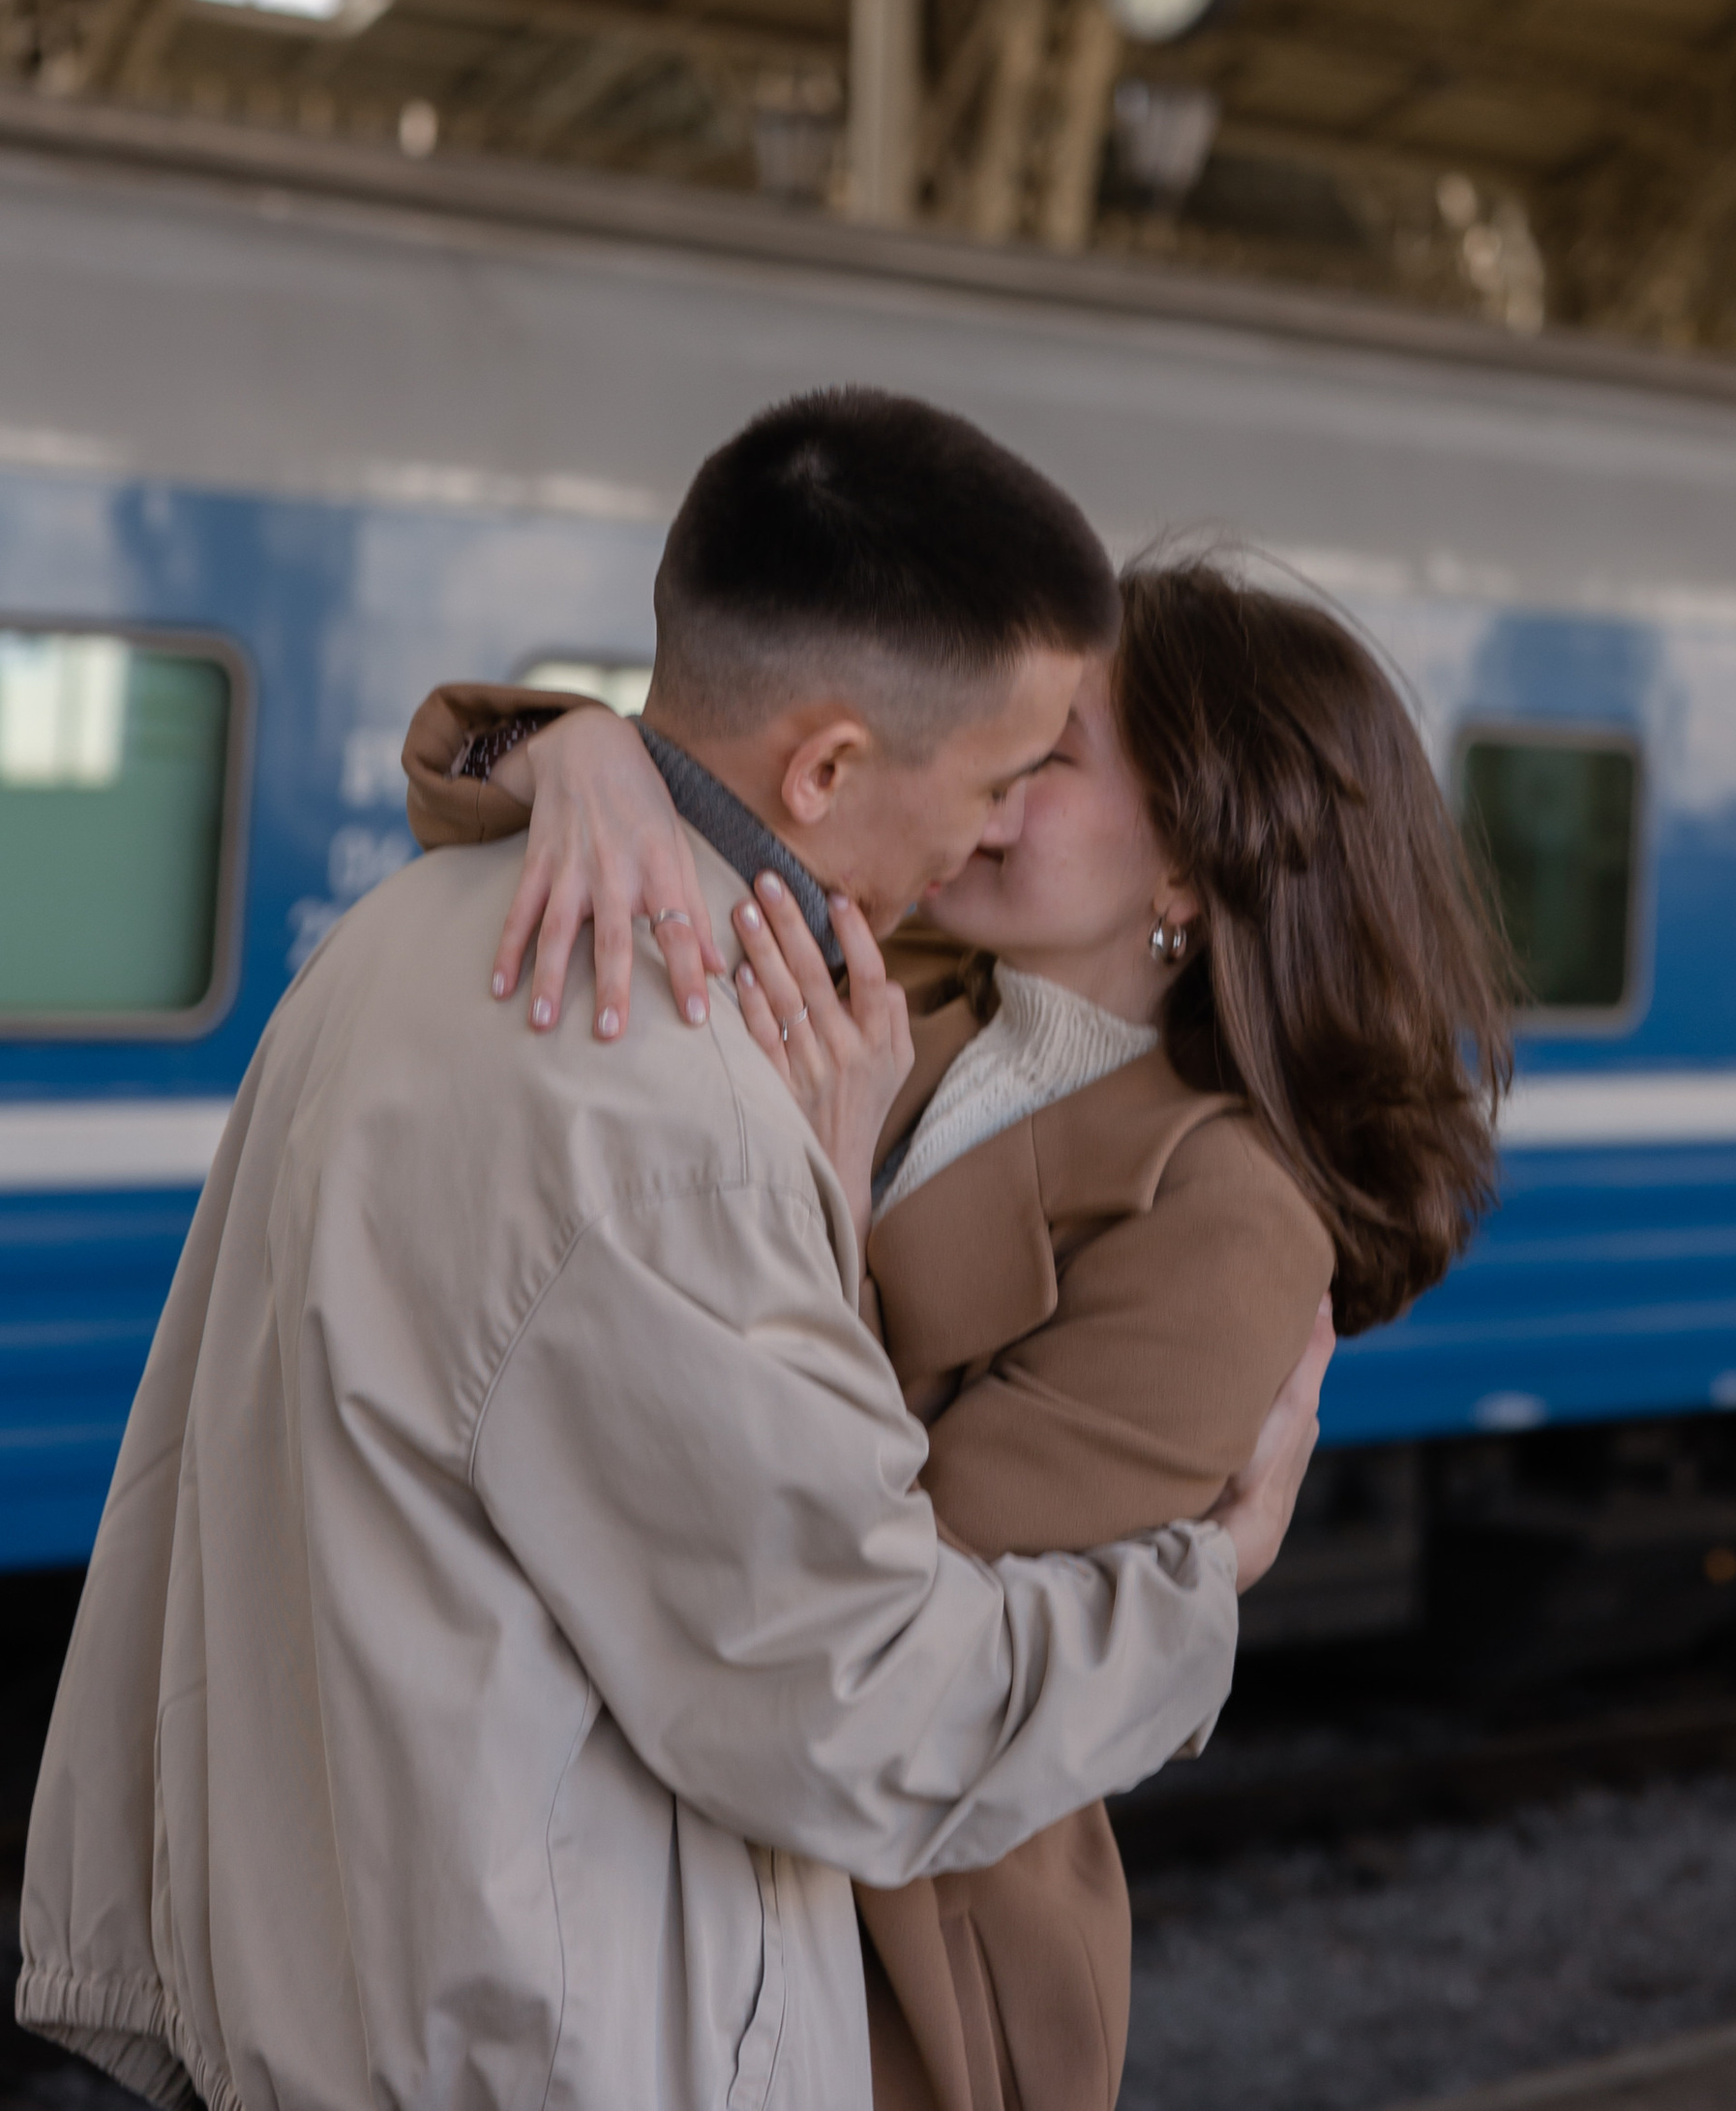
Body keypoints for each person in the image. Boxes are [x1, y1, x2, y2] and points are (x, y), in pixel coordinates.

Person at [16, 393, 1330, 2111]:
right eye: (999, 776)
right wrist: (1199, 1598)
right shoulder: (682, 1110)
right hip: (525, 2043)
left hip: (303, 1971)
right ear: (834, 770)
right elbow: (854, 1703)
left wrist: (559, 746)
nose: (986, 835)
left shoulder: (398, 935)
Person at [400, 540, 1512, 2111]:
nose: (978, 779)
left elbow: (876, 1621)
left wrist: (833, 1202)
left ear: (1192, 864)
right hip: (683, 1875)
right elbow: (463, 785)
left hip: (894, 1961)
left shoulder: (1230, 1217)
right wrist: (586, 756)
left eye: (1047, 754)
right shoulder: (913, 970)